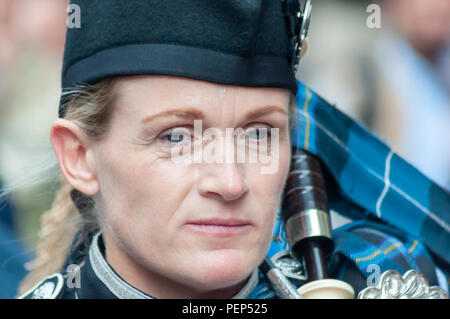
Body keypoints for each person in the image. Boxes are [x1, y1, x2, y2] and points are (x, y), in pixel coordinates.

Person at [16, 0, 449, 299]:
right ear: (78, 156)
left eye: (259, 134)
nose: (230, 181)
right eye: (177, 137)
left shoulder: (383, 274)